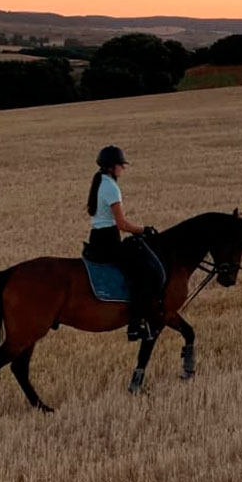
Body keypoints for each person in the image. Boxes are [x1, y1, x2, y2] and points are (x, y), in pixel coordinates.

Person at [86, 145, 166, 341]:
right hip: (108, 241)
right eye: (121, 165)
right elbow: (121, 224)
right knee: (145, 273)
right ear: (112, 167)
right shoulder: (111, 188)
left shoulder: (100, 182)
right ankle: (134, 326)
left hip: (97, 238)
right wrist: (143, 229)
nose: (123, 168)